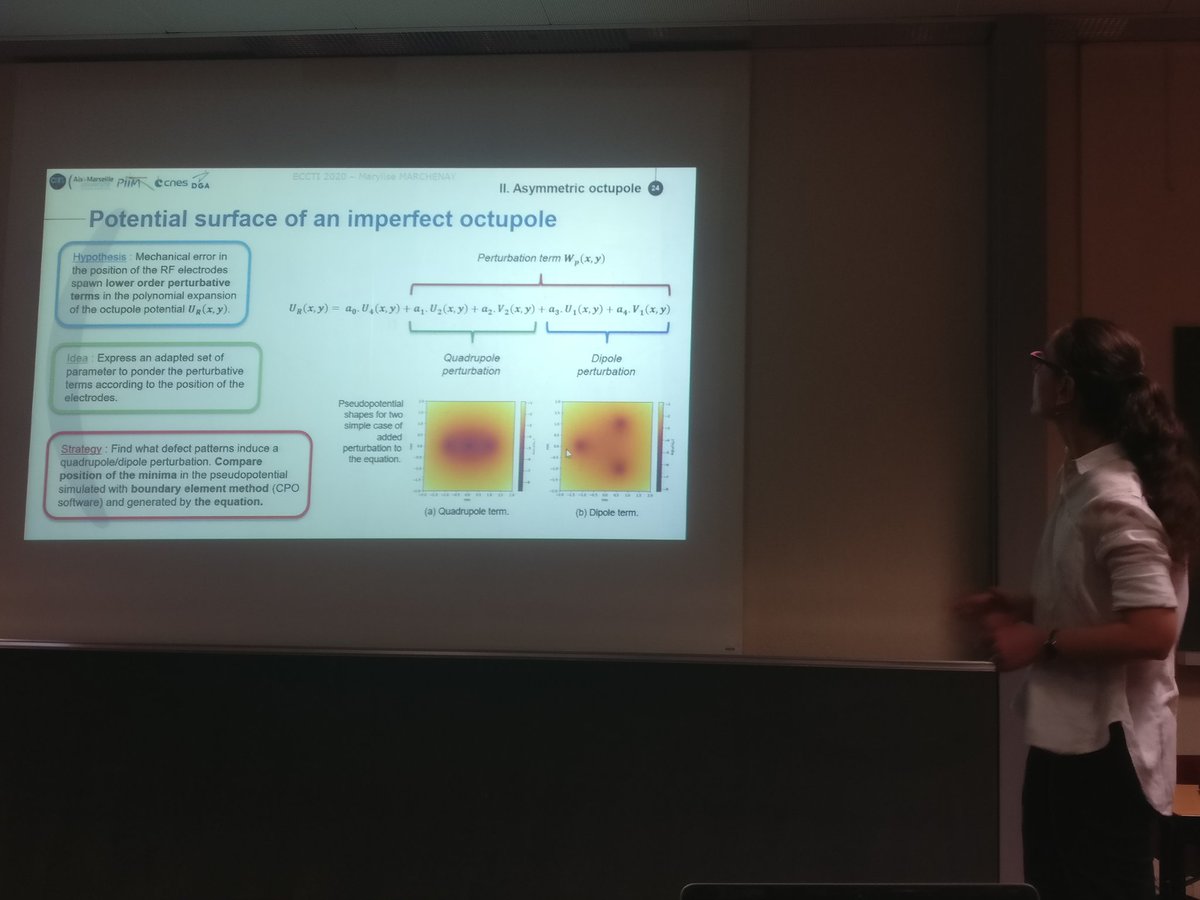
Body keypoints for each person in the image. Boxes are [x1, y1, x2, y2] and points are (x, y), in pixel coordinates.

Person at [959, 317, 1200, 900]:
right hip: (1067, 736)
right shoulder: (1081, 479)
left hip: (1106, 747)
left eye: (1041, 361)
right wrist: (1024, 604)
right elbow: (1098, 598)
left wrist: (1040, 641)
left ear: (1065, 387)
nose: (1033, 371)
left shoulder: (1114, 496)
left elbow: (1154, 631)